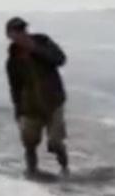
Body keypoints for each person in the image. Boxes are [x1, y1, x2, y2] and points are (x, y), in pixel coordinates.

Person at [5, 17, 69, 177]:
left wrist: (35, 49)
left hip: (53, 102)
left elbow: (60, 59)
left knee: (55, 142)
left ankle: (65, 169)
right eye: (17, 31)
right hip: (30, 106)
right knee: (29, 143)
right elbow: (15, 87)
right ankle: (31, 172)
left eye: (23, 30)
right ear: (9, 35)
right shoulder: (12, 60)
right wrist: (17, 110)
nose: (21, 34)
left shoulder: (43, 41)